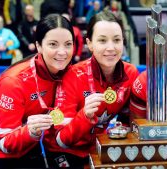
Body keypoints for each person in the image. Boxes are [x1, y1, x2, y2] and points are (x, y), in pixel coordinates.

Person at [50, 10, 138, 166]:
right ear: (89, 43)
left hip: (101, 149)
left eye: (117, 40)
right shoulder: (72, 75)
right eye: (102, 41)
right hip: (66, 152)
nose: (111, 48)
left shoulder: (130, 73)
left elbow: (128, 120)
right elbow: (61, 139)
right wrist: (84, 115)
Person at [0, 14, 74, 168]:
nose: (62, 52)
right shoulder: (14, 81)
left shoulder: (68, 70)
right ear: (38, 46)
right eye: (53, 44)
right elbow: (5, 143)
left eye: (68, 44)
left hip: (29, 145)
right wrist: (30, 131)